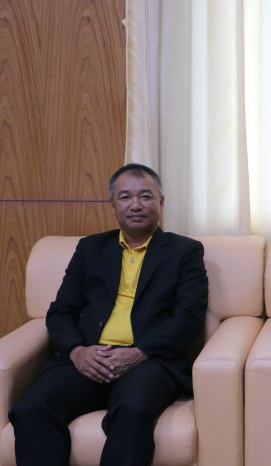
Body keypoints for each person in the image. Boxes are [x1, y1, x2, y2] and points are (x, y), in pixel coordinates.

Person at [9, 164, 209, 466]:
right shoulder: (90, 248)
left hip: (148, 360)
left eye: (146, 196)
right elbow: (61, 311)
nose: (136, 204)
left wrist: (139, 352)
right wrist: (78, 351)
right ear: (112, 204)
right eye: (125, 197)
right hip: (89, 358)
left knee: (134, 410)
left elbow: (188, 317)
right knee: (31, 408)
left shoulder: (185, 251)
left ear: (161, 203)